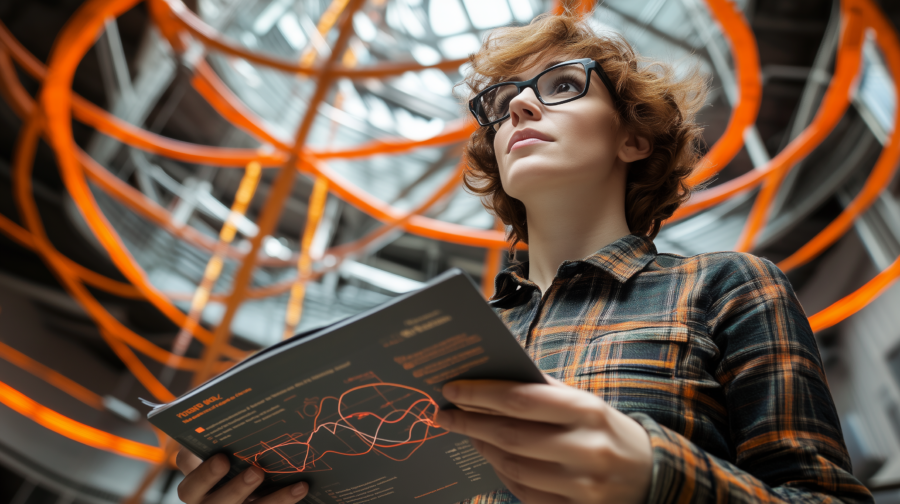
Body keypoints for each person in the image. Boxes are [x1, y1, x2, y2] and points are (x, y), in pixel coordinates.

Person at [174, 12, 874, 504]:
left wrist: (658, 478)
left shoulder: (727, 287)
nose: (519, 111)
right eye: (501, 102)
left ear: (634, 140)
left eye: (561, 86)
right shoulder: (428, 345)